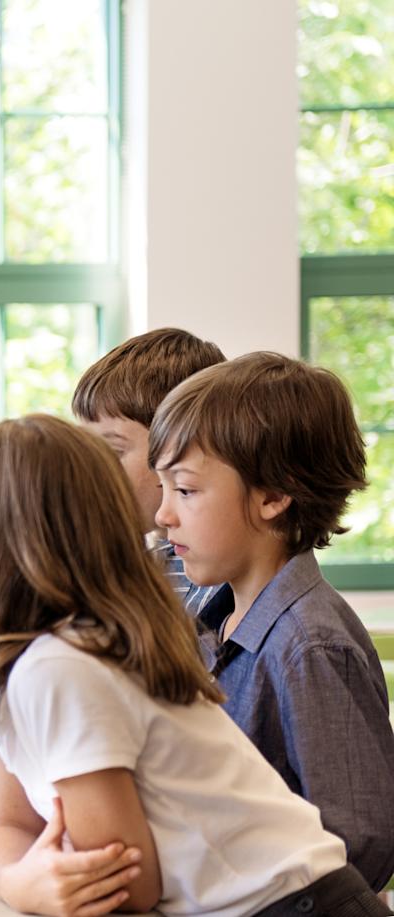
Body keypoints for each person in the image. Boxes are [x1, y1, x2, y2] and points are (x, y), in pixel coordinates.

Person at [0, 413, 388, 917]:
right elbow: (9, 831)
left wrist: (29, 879)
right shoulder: (30, 667)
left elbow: (124, 884)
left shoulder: (59, 667)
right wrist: (17, 880)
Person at [149, 352, 394, 890]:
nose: (164, 513)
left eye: (185, 490)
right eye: (164, 489)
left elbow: (360, 844)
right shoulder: (211, 618)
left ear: (275, 496)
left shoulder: (310, 646)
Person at [70, 327, 225, 614]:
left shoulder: (222, 582)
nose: (91, 471)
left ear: (178, 452)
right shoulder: (136, 566)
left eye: (113, 452)